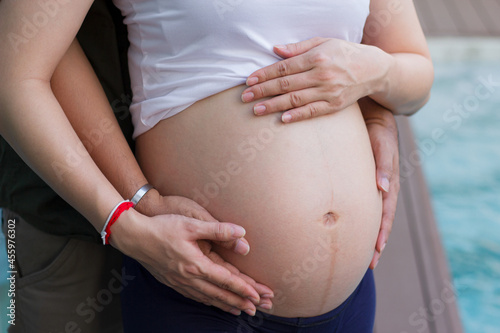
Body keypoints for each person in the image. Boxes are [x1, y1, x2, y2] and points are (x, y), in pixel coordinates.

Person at [0, 0, 427, 332]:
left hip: (349, 300)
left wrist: (376, 77)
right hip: (199, 289)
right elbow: (15, 73)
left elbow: (413, 70)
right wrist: (124, 219)